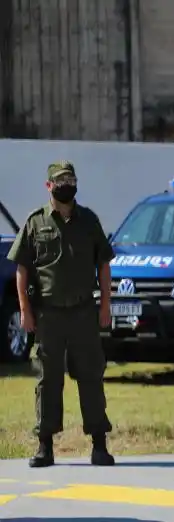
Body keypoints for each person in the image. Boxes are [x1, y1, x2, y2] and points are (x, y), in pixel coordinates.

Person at [6, 161, 115, 468]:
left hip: (83, 313)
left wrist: (105, 304)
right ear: (49, 186)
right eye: (60, 180)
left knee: (91, 376)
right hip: (48, 315)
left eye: (71, 179)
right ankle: (45, 446)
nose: (67, 184)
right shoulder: (34, 222)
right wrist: (25, 311)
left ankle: (99, 444)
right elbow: (22, 269)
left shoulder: (89, 221)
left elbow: (104, 265)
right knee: (47, 380)